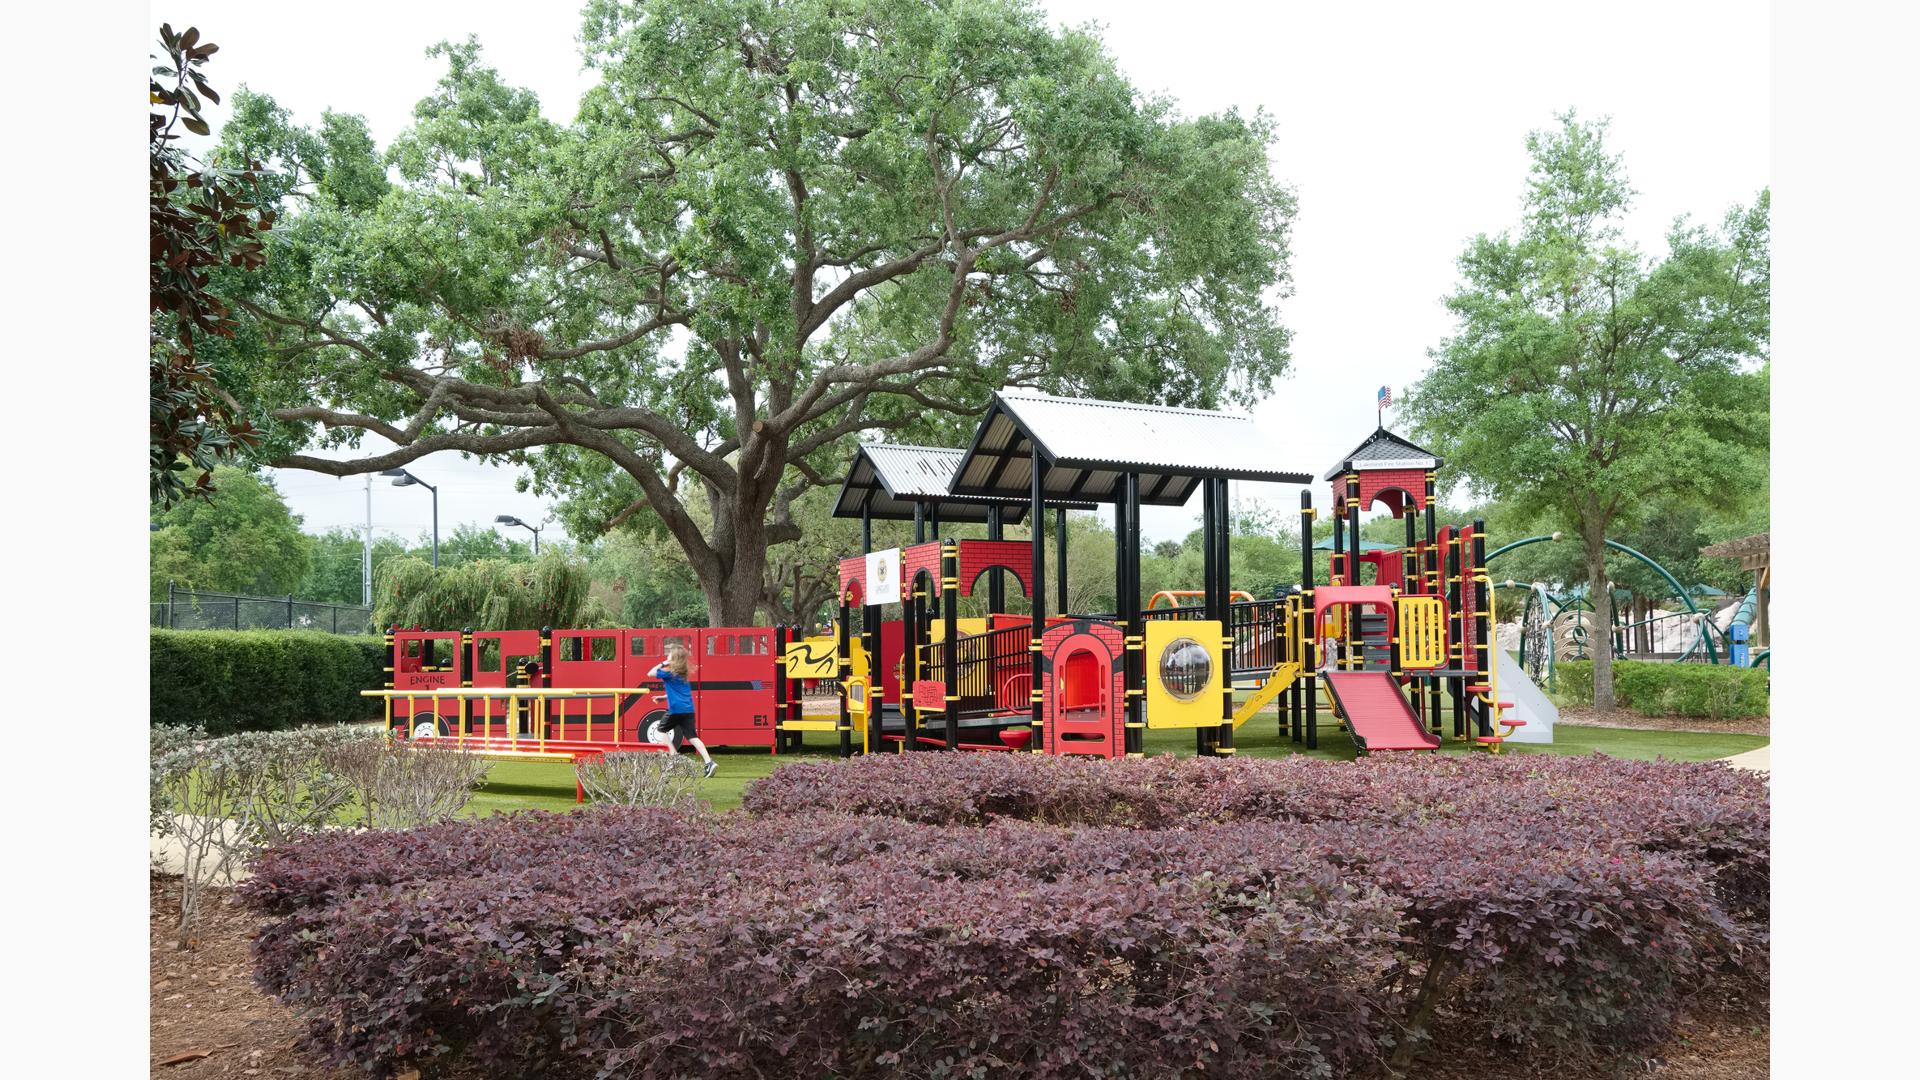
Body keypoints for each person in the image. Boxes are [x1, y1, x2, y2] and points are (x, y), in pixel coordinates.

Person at [649, 642, 715, 778]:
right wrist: (663, 697)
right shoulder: (682, 674)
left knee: (661, 730)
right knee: (692, 736)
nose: (667, 656)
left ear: (673, 659)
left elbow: (650, 673)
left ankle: (673, 757)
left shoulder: (669, 673)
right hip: (688, 709)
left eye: (669, 655)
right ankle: (709, 762)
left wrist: (663, 663)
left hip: (676, 709)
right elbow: (678, 692)